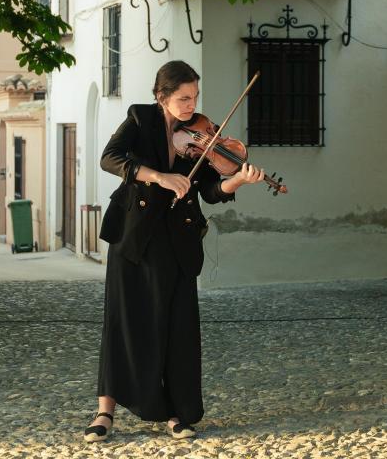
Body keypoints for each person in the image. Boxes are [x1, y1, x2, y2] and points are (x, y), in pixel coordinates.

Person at [83, 60, 264, 442]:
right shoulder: (140, 119)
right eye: (183, 98)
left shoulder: (201, 133)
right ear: (161, 96)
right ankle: (104, 411)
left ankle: (176, 412)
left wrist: (236, 182)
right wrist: (159, 176)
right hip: (133, 237)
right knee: (122, 322)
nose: (191, 105)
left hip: (177, 240)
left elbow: (211, 191)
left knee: (176, 327)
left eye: (194, 97)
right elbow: (110, 158)